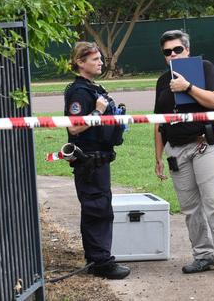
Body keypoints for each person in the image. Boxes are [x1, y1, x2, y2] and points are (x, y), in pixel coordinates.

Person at [153, 30, 214, 276]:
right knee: (190, 209)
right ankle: (203, 256)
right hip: (176, 149)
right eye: (167, 52)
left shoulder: (205, 68)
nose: (173, 55)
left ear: (187, 50)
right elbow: (159, 122)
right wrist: (157, 156)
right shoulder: (161, 82)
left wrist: (187, 86)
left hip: (205, 145)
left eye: (177, 50)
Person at [64, 41, 130, 279]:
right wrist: (98, 112)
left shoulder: (94, 88)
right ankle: (100, 263)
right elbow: (74, 128)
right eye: (94, 59)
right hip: (89, 161)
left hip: (100, 159)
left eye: (101, 59)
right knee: (96, 210)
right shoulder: (79, 92)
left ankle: (99, 258)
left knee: (101, 208)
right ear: (80, 62)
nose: (100, 62)